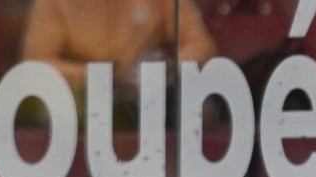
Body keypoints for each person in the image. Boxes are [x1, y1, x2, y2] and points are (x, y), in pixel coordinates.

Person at [21, 0, 217, 129]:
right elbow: (36, 64)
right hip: (82, 102)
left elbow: (200, 44)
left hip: (149, 102)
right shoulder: (53, 3)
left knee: (201, 110)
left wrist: (161, 71)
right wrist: (100, 78)